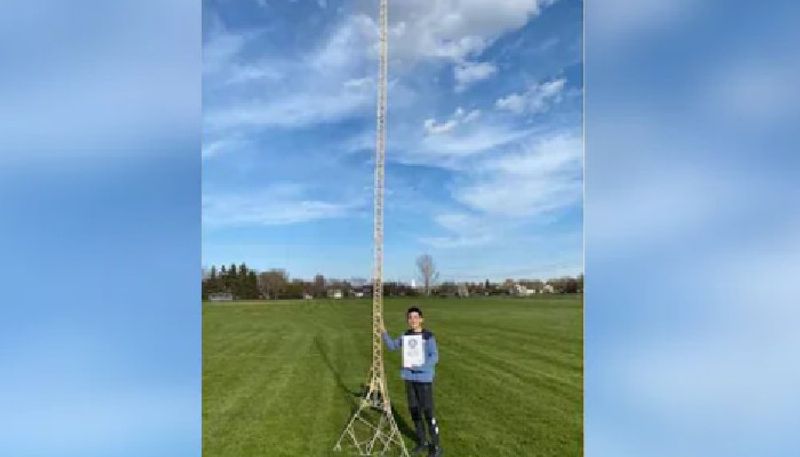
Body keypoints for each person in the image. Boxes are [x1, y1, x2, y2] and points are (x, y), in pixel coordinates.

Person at [381, 306, 443, 457]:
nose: (413, 320)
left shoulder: (428, 336)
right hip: (409, 379)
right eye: (410, 317)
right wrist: (383, 331)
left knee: (428, 412)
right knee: (414, 411)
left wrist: (420, 366)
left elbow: (434, 356)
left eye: (416, 317)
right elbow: (391, 346)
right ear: (407, 320)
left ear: (421, 319)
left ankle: (436, 445)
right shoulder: (405, 336)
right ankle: (422, 441)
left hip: (424, 379)